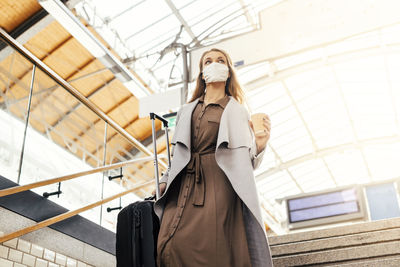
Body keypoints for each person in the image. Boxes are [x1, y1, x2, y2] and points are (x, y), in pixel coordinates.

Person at [153, 48, 273, 267]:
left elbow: (246, 161)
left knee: (210, 250)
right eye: (208, 61)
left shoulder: (237, 111)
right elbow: (176, 156)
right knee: (168, 245)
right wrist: (163, 181)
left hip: (219, 187)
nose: (214, 64)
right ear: (201, 73)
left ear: (228, 72)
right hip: (183, 184)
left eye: (220, 61)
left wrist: (260, 145)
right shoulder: (185, 110)